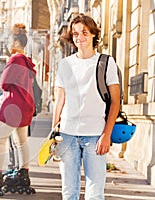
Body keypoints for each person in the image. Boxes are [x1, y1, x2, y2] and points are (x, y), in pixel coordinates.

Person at [53, 13, 120, 199]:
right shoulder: (65, 64)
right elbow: (60, 100)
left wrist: (106, 135)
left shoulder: (106, 63)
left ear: (93, 34)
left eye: (84, 32)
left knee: (95, 194)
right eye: (75, 33)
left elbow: (115, 102)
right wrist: (54, 133)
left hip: (95, 136)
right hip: (67, 134)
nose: (79, 37)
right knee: (68, 192)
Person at [0, 24, 36, 192]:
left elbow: (4, 83)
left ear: (17, 42)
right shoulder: (27, 62)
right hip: (25, 105)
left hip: (13, 105)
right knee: (21, 142)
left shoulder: (15, 59)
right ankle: (23, 175)